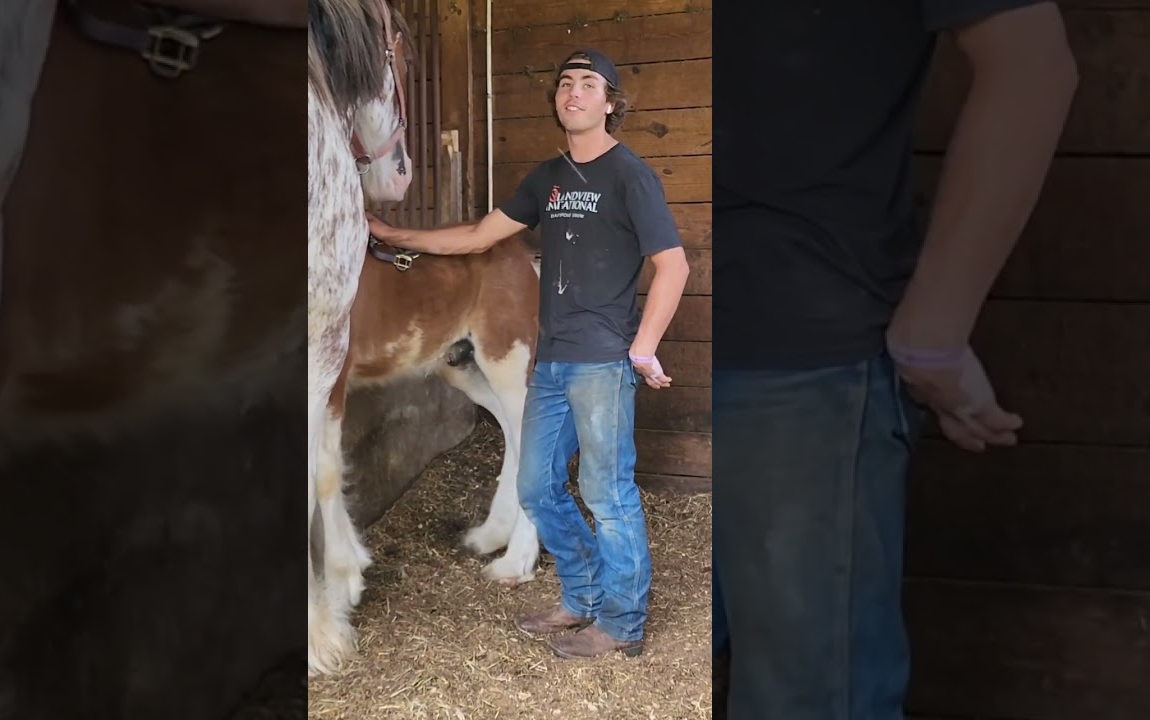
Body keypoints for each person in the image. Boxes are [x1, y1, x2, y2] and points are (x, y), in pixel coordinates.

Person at [712, 1, 1077, 717]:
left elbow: (1033, 64)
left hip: (799, 356)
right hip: (679, 338)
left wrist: (934, 328)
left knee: (809, 698)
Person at [367, 48, 690, 659]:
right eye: (565, 83)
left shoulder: (631, 175)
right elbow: (481, 236)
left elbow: (673, 265)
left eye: (588, 85)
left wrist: (643, 348)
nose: (573, 93)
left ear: (610, 103)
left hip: (602, 360)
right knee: (539, 488)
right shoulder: (548, 177)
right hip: (552, 361)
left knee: (607, 493)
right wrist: (394, 235)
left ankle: (621, 623)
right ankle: (582, 595)